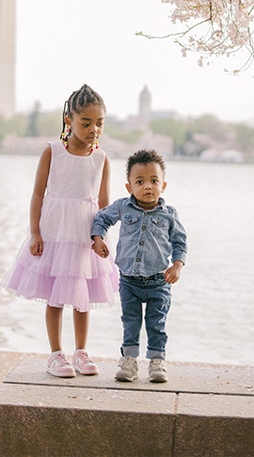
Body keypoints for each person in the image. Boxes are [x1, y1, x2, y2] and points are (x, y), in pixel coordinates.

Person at [4, 84, 120, 378]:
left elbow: (104, 203)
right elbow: (38, 195)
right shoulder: (52, 151)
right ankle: (56, 354)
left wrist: (100, 237)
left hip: (84, 235)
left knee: (83, 296)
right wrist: (34, 233)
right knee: (55, 295)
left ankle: (81, 351)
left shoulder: (101, 158)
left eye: (99, 123)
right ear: (69, 120)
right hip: (55, 233)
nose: (94, 129)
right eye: (86, 123)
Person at [90, 149, 188, 383]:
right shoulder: (124, 207)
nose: (148, 187)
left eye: (154, 181)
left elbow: (180, 241)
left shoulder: (169, 214)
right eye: (140, 181)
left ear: (163, 185)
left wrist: (177, 266)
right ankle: (129, 361)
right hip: (129, 281)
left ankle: (157, 362)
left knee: (157, 323)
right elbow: (102, 218)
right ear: (129, 187)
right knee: (131, 322)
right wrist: (98, 238)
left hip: (158, 281)